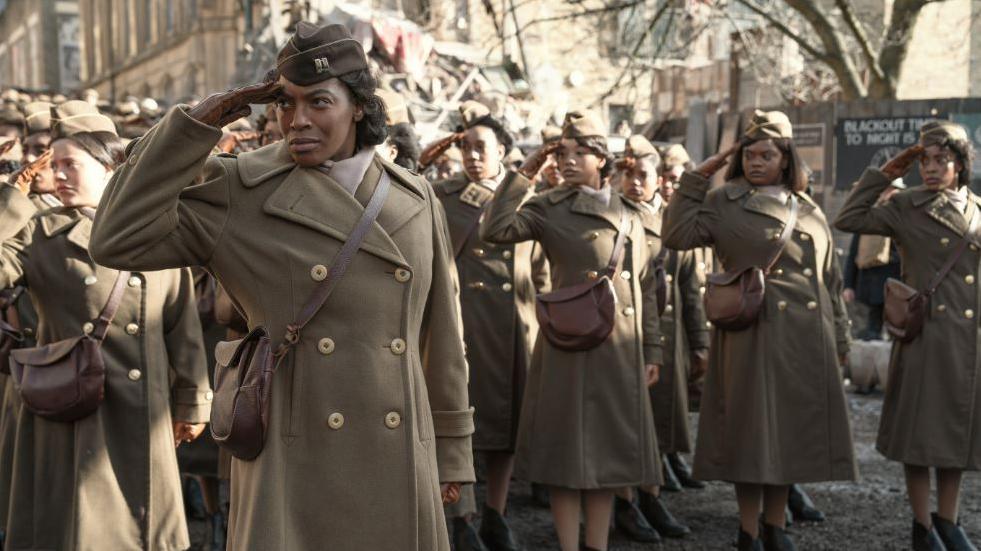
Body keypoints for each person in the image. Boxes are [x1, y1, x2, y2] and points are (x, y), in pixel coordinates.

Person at [89, 22, 475, 550]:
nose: (297, 121)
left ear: (359, 106)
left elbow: (441, 338)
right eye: (285, 104)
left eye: (318, 102)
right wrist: (195, 125)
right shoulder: (238, 189)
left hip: (401, 451)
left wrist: (452, 450)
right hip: (293, 461)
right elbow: (116, 239)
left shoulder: (416, 197)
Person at [0, 100, 212, 550]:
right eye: (53, 165)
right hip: (75, 416)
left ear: (108, 165)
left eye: (69, 164)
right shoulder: (37, 233)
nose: (57, 175)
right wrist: (12, 200)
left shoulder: (156, 229)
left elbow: (180, 320)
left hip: (147, 415)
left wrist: (194, 399)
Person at [662, 110, 856, 551]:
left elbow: (829, 280)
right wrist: (700, 175)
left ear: (786, 159)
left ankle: (776, 526)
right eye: (749, 154)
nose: (755, 161)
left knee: (787, 437)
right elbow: (675, 234)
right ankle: (748, 531)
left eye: (766, 154)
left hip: (807, 339)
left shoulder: (807, 206)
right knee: (751, 439)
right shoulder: (724, 200)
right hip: (753, 335)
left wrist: (841, 338)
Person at [480, 110, 663, 551]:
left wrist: (653, 349)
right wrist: (526, 171)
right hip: (568, 347)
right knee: (566, 459)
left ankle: (596, 546)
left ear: (602, 158)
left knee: (608, 460)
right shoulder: (548, 206)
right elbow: (496, 227)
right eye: (561, 152)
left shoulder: (630, 213)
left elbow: (645, 287)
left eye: (579, 151)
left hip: (620, 351)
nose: (566, 159)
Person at [835, 120, 981, 551]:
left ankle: (948, 521)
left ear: (960, 163)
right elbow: (849, 217)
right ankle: (922, 526)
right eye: (925, 160)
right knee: (920, 436)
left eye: (942, 160)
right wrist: (887, 170)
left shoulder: (977, 207)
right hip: (926, 336)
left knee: (955, 434)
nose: (932, 168)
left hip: (969, 341)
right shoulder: (906, 205)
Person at [433, 101, 547, 551]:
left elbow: (539, 268)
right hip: (461, 325)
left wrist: (538, 320)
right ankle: (462, 515)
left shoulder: (525, 198)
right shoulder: (442, 196)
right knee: (461, 424)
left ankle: (497, 514)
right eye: (465, 147)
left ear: (503, 152)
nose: (472, 155)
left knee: (507, 429)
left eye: (482, 147)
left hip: (514, 327)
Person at [609, 135, 699, 544]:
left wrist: (700, 341)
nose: (634, 182)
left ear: (658, 178)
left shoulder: (670, 219)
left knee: (658, 421)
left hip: (664, 330)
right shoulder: (612, 216)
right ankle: (627, 501)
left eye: (642, 174)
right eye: (626, 174)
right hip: (621, 332)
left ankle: (651, 495)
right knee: (628, 423)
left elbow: (689, 284)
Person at [841, 180, 904, 341]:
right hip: (870, 281)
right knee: (871, 331)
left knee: (896, 330)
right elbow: (854, 252)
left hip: (896, 283)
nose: (888, 194)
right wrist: (848, 285)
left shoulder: (905, 217)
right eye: (886, 190)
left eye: (892, 190)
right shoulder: (870, 216)